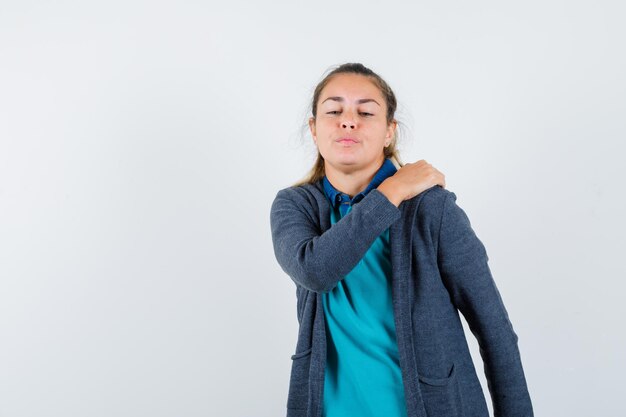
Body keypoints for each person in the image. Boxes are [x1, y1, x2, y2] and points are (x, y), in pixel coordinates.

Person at [269, 63, 534, 417]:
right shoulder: (295, 206)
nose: (349, 120)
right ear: (314, 130)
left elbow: (495, 331)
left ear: (389, 132)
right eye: (334, 111)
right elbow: (316, 270)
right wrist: (392, 189)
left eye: (365, 112)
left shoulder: (432, 209)